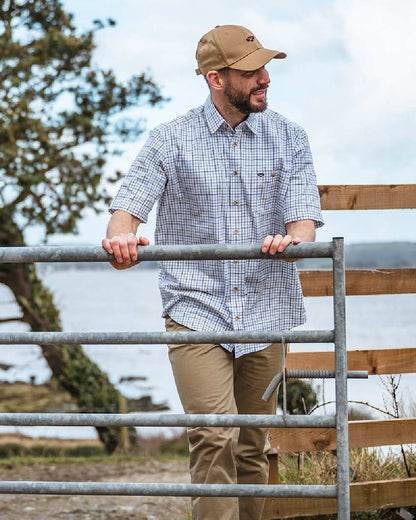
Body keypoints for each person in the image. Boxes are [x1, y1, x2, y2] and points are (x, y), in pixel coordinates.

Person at [102, 24, 324, 520]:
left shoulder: (291, 137)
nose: (265, 78)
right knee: (213, 436)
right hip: (195, 307)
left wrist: (294, 242)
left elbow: (303, 225)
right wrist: (122, 234)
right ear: (216, 79)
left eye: (266, 68)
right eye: (251, 72)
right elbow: (128, 205)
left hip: (266, 310)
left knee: (250, 445)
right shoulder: (169, 138)